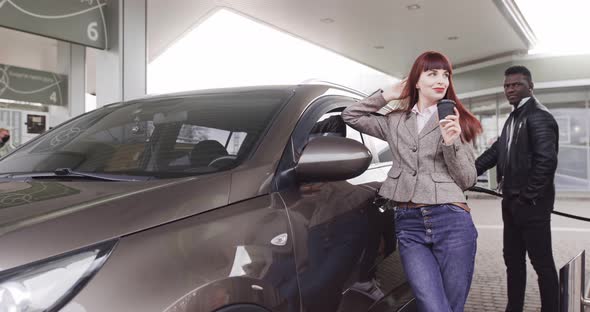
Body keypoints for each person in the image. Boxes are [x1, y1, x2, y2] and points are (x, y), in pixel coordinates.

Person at [342, 51, 482, 312]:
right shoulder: (395, 121)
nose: (442, 80)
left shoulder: (454, 120)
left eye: (446, 74)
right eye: (432, 73)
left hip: (451, 221)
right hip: (409, 224)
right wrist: (387, 94)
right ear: (416, 81)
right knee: (432, 305)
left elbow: (467, 180)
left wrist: (451, 144)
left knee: (450, 306)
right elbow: (351, 116)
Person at [475, 65, 559, 312]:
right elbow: (495, 152)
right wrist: (467, 172)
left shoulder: (539, 116)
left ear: (530, 87)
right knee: (513, 261)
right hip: (511, 205)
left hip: (531, 206)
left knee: (542, 264)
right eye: (507, 86)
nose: (510, 89)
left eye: (516, 84)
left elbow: (546, 161)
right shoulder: (513, 118)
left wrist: (527, 198)